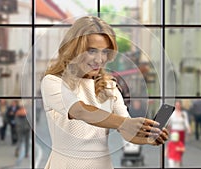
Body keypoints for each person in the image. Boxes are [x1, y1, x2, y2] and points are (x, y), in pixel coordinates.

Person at [41, 16, 169, 169]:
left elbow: (126, 131)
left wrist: (147, 137)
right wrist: (125, 123)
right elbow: (80, 111)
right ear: (74, 49)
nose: (99, 59)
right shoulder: (53, 82)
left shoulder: (109, 86)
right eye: (92, 51)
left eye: (105, 52)